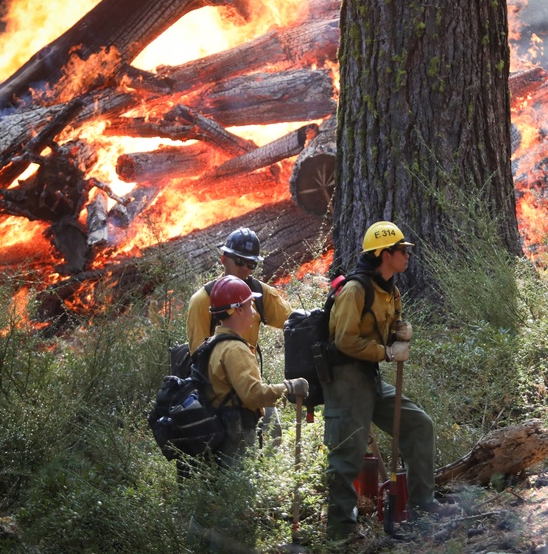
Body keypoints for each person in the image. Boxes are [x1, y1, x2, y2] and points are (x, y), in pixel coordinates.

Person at [322, 220, 451, 541]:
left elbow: (388, 329)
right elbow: (344, 340)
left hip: (370, 378)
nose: (407, 255)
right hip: (345, 382)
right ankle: (341, 533)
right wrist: (388, 352)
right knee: (346, 456)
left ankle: (422, 504)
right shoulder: (355, 290)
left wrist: (400, 332)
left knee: (418, 424)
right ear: (384, 254)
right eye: (402, 250)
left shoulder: (390, 290)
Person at [186, 275, 307, 549]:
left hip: (218, 434)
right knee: (236, 507)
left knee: (213, 502)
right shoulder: (234, 349)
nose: (254, 311)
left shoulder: (212, 345)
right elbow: (252, 393)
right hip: (235, 438)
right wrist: (288, 387)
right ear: (237, 309)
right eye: (250, 305)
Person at [186, 227, 292, 445]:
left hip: (250, 385)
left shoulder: (259, 295)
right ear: (224, 259)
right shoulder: (202, 300)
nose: (245, 268)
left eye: (251, 264)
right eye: (239, 261)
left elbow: (294, 321)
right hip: (220, 400)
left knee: (274, 438)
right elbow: (199, 357)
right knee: (233, 450)